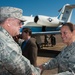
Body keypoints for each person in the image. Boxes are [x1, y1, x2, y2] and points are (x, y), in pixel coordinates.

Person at [0, 6, 41, 75]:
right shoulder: (6, 43)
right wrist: (37, 71)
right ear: (8, 22)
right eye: (19, 22)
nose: (21, 26)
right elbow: (24, 70)